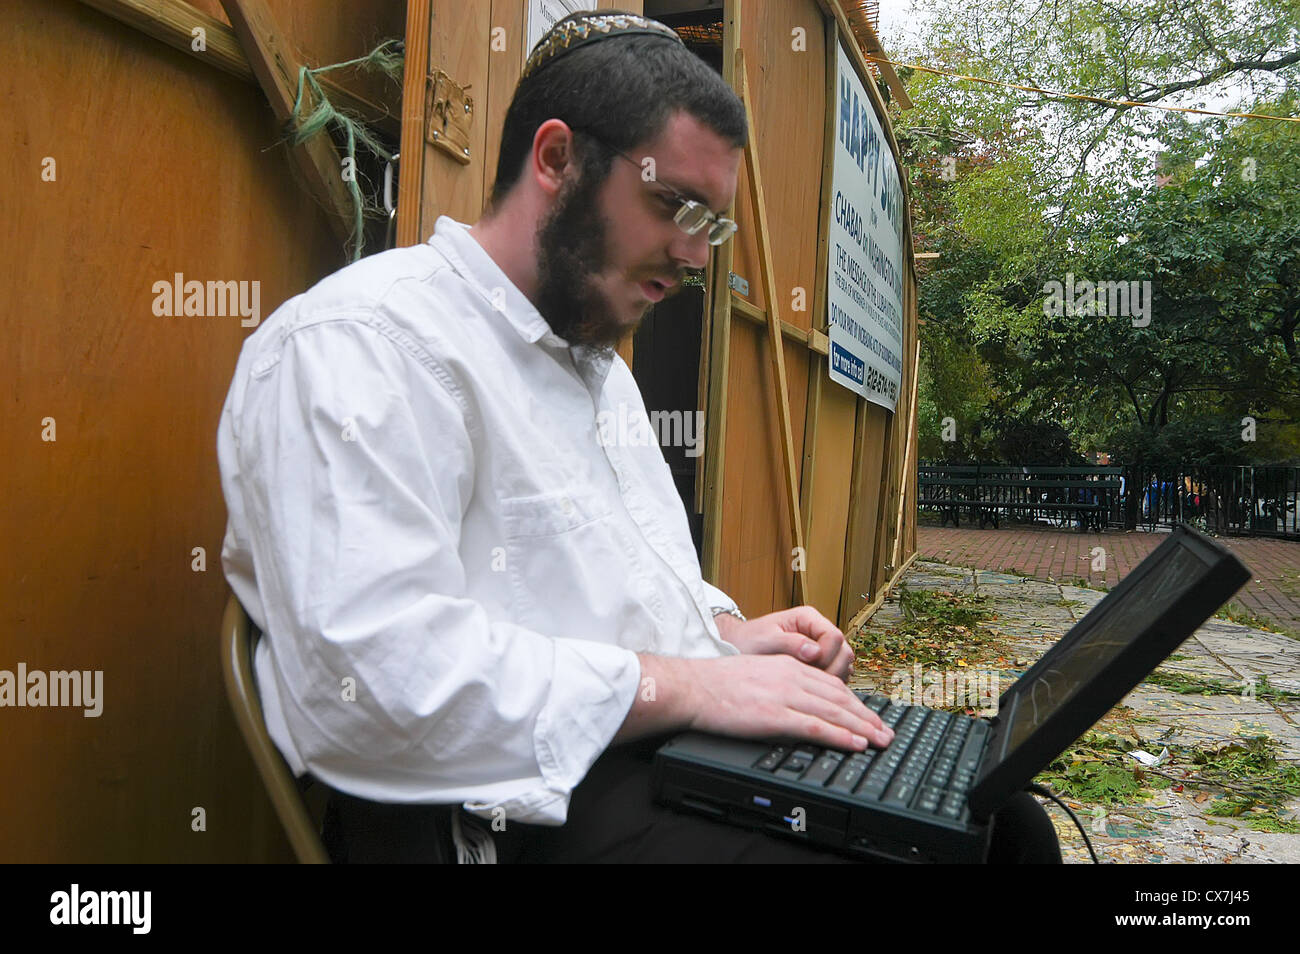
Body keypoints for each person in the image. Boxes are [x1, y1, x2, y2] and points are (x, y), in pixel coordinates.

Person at [217, 10, 1060, 863]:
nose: (696, 255)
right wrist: (691, 685)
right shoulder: (364, 343)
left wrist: (725, 636)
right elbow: (372, 684)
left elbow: (613, 589)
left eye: (713, 224)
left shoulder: (597, 366)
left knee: (1002, 822)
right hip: (494, 815)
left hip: (630, 759)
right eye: (674, 205)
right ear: (557, 159)